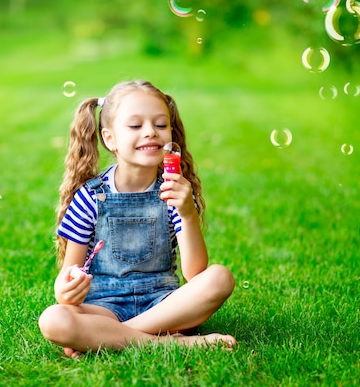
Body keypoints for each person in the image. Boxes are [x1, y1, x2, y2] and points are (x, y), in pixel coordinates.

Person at [39, 80, 236, 357]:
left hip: (163, 304)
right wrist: (66, 291)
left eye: (160, 125)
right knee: (53, 319)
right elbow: (67, 276)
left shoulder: (174, 191)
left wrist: (187, 213)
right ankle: (165, 341)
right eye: (135, 126)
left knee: (220, 278)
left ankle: (115, 337)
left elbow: (194, 273)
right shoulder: (90, 197)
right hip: (104, 308)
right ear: (110, 139)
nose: (150, 133)